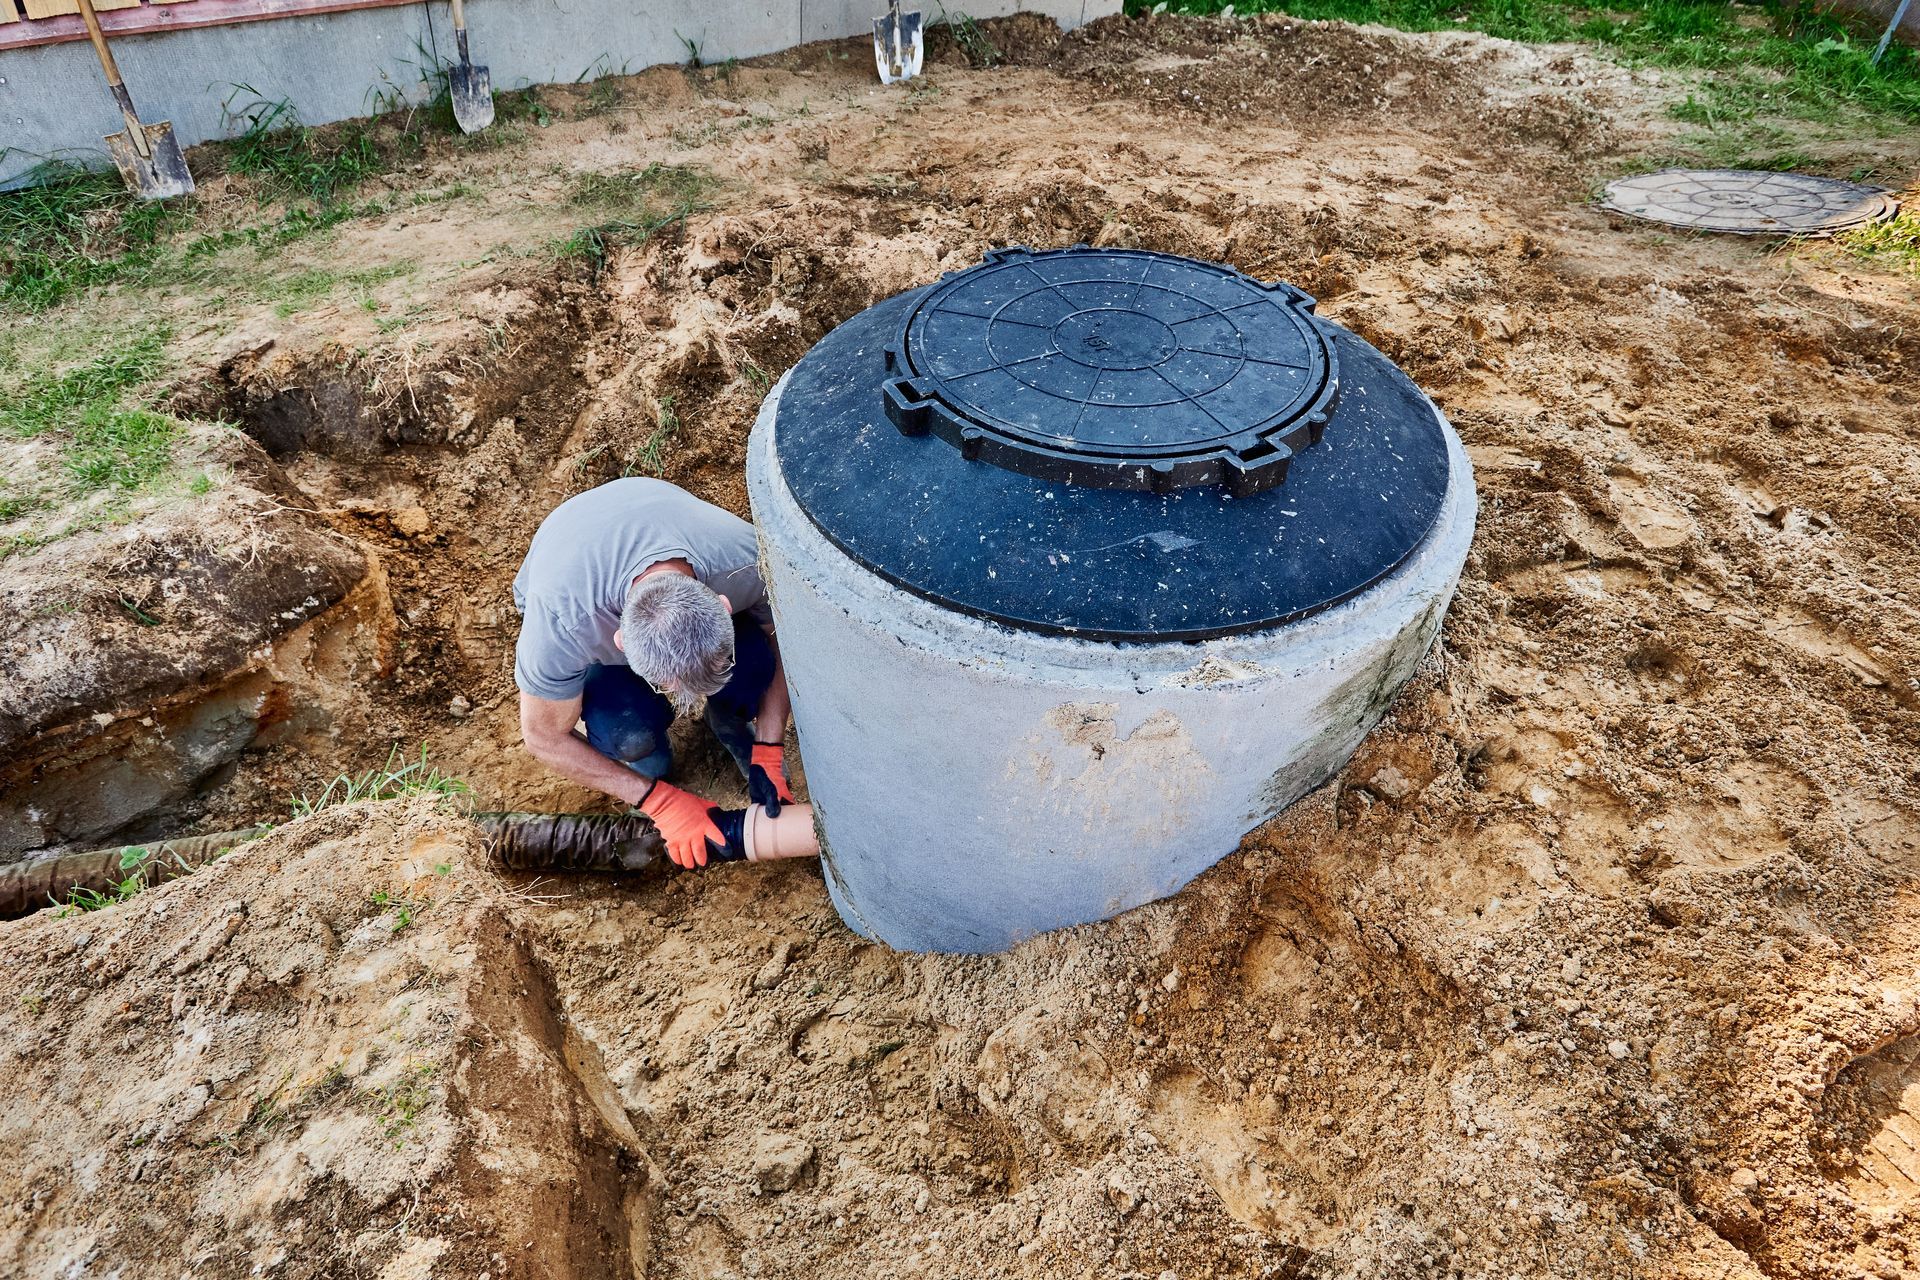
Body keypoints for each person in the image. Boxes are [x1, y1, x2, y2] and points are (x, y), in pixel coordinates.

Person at [512, 478, 795, 869]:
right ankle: (652, 770)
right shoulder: (563, 625)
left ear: (723, 604)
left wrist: (769, 745)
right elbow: (542, 736)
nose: (688, 700)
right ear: (621, 642)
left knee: (754, 667)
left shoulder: (746, 561)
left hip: (658, 518)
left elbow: (785, 638)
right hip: (570, 559)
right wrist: (658, 800)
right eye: (666, 683)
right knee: (629, 736)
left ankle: (728, 722)